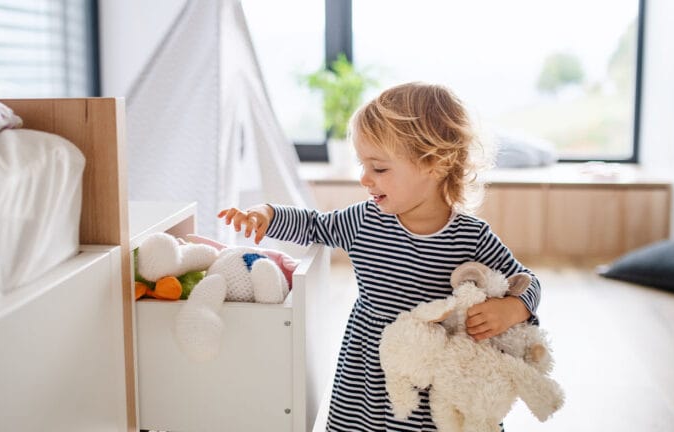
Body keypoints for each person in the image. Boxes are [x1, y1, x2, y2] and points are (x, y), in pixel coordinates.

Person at [218, 82, 540, 432]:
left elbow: (526, 281)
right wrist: (268, 215)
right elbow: (316, 226)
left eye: (379, 168)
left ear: (434, 164)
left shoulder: (471, 235)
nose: (364, 178)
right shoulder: (363, 220)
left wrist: (513, 308)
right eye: (362, 164)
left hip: (433, 367)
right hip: (366, 365)